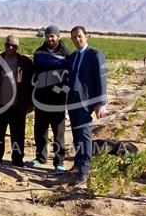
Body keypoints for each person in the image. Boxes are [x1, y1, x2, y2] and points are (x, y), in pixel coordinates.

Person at [24, 25, 70, 172]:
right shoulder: (39, 53)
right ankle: (40, 157)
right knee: (40, 130)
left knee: (59, 132)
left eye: (53, 36)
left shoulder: (66, 54)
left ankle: (59, 162)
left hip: (58, 101)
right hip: (40, 99)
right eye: (47, 36)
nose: (50, 39)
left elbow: (69, 79)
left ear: (58, 37)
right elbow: (34, 76)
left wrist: (62, 93)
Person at [0, 35, 34, 167]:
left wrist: (30, 103)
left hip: (18, 105)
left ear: (18, 47)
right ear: (4, 45)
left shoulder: (25, 62)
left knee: (18, 134)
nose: (10, 48)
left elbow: (31, 85)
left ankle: (17, 158)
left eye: (14, 46)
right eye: (8, 45)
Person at [67, 26, 107, 187]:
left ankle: (84, 172)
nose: (77, 40)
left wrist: (101, 103)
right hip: (73, 100)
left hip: (87, 103)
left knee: (84, 136)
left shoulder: (95, 55)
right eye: (74, 38)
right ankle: (77, 164)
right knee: (76, 135)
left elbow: (101, 79)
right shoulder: (72, 57)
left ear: (87, 36)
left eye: (80, 36)